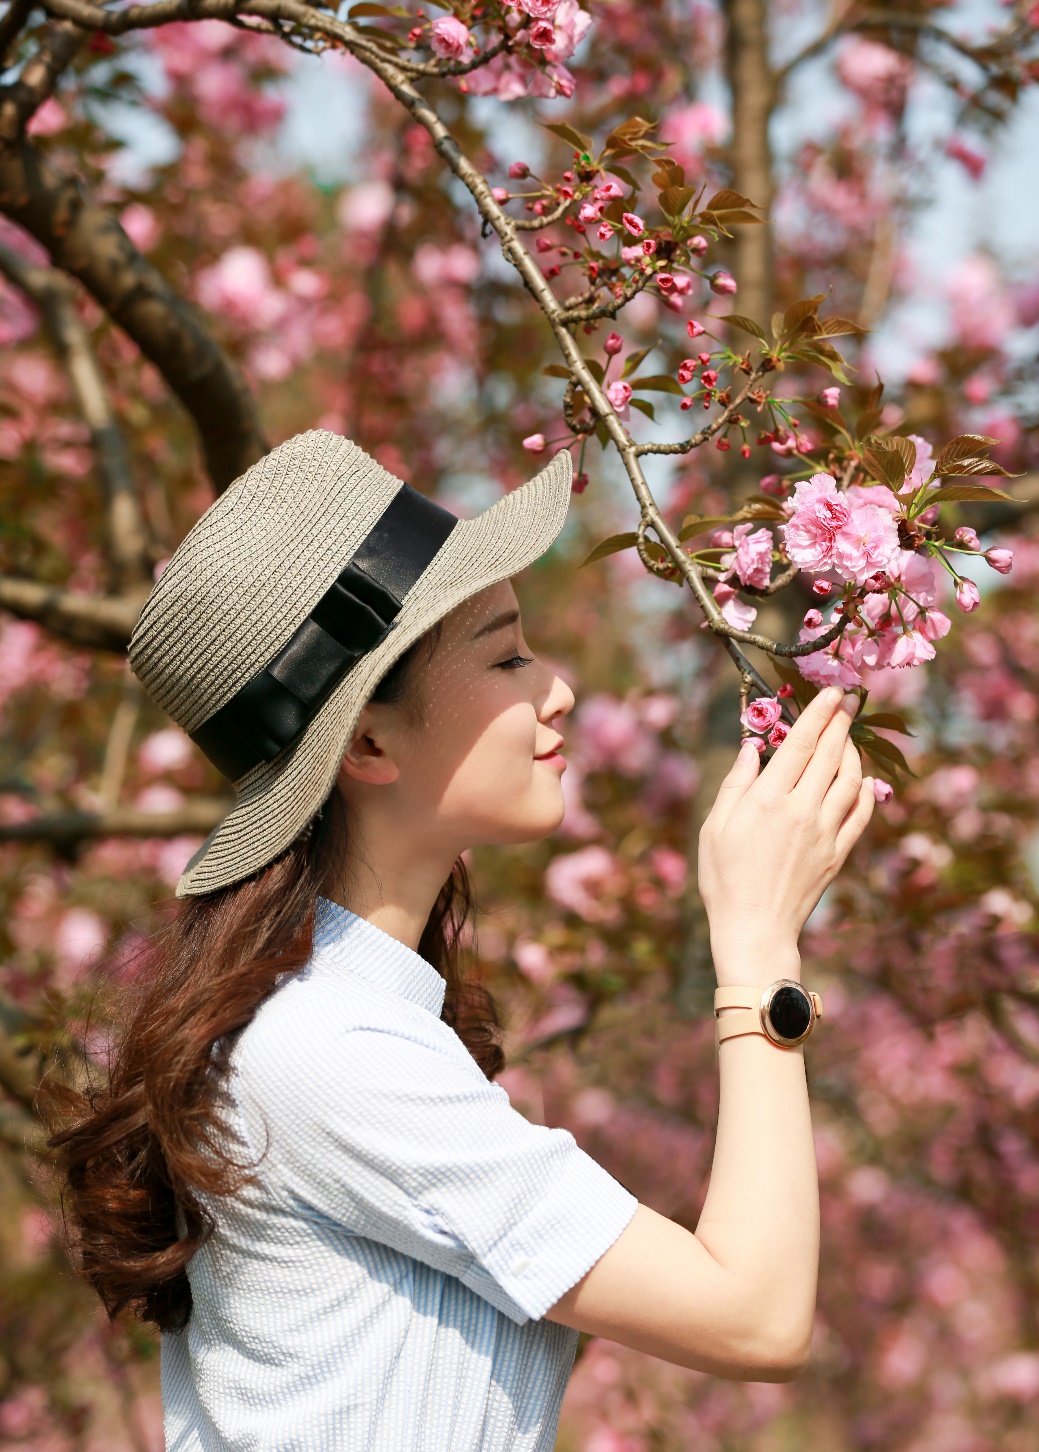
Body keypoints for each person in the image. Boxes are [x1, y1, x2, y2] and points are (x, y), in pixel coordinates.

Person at [48, 431, 875, 1452]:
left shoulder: (349, 1029)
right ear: (367, 742)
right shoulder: (332, 1054)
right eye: (506, 655)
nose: (558, 687)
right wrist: (757, 954)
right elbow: (753, 1315)